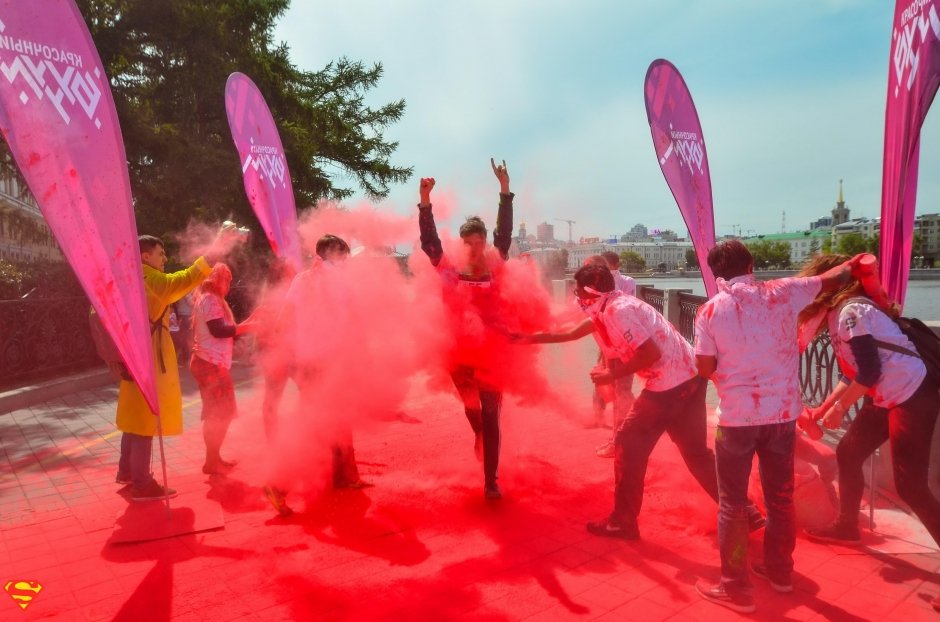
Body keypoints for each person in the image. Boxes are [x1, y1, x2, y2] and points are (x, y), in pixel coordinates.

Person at [519, 262, 763, 539]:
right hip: (691, 380)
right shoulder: (613, 305)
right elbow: (568, 333)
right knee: (696, 455)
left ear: (590, 293)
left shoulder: (617, 312)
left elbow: (650, 354)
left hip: (668, 386)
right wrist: (526, 339)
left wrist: (611, 376)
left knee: (627, 444)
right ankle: (745, 510)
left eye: (579, 294)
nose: (577, 300)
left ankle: (623, 521)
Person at [693, 240, 856, 614]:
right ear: (751, 264)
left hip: (735, 421)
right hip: (782, 417)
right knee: (780, 499)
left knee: (732, 505)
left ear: (717, 273)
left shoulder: (710, 310)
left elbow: (703, 367)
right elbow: (835, 277)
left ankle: (735, 588)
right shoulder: (783, 291)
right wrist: (860, 261)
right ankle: (780, 572)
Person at [796, 255, 940, 553]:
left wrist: (839, 409)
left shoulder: (852, 312)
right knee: (848, 453)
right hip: (889, 395)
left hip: (911, 394)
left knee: (911, 487)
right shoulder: (841, 313)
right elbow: (853, 374)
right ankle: (846, 526)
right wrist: (824, 408)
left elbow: (870, 371)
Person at [417, 158, 513, 500]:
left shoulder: (495, 262)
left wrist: (504, 191)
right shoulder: (448, 267)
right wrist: (425, 201)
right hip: (458, 353)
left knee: (491, 414)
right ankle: (478, 436)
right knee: (472, 409)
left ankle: (491, 481)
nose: (474, 248)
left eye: (479, 242)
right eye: (468, 242)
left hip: (491, 352)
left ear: (485, 242)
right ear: (462, 243)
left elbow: (505, 234)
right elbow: (429, 242)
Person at [115, 231, 230, 502]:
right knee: (145, 418)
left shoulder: (129, 275)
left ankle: (128, 473)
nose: (165, 258)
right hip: (148, 355)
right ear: (145, 255)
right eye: (160, 253)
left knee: (133, 416)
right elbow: (183, 280)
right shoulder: (147, 277)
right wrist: (213, 253)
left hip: (133, 352)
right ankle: (142, 484)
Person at [263, 235, 370, 517]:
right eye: (344, 256)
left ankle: (344, 475)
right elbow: (356, 320)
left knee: (333, 421)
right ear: (333, 254)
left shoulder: (301, 279)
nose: (346, 262)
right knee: (314, 425)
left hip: (309, 361)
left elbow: (285, 318)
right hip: (329, 362)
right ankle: (278, 483)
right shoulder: (339, 280)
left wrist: (281, 350)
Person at [190, 263, 251, 475]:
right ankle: (212, 461)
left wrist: (249, 323)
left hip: (208, 362)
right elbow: (220, 330)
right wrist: (250, 326)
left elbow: (224, 330)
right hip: (211, 365)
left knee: (215, 413)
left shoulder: (208, 299)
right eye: (226, 278)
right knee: (221, 414)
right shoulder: (211, 300)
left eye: (229, 278)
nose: (229, 283)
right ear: (215, 278)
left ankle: (213, 460)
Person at [241, 258, 296, 443]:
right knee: (272, 401)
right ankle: (274, 444)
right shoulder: (271, 302)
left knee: (310, 391)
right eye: (290, 272)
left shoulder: (288, 296)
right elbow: (263, 333)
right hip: (275, 354)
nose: (294, 274)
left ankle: (306, 437)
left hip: (289, 353)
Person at [592, 252, 636, 445]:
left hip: (624, 340)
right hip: (607, 338)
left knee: (622, 388)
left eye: (608, 265)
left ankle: (623, 432)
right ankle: (598, 415)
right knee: (601, 375)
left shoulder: (626, 282)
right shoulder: (595, 282)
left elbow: (621, 302)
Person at [175, 291, 194, 365]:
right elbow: (191, 302)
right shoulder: (188, 288)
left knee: (185, 337)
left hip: (184, 314)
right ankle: (187, 358)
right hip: (186, 314)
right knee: (188, 338)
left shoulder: (186, 288)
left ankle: (185, 358)